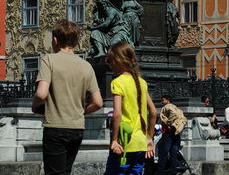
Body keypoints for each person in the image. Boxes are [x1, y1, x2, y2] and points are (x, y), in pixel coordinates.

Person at [33, 19, 104, 175]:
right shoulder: (86, 66)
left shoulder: (49, 60)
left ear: (55, 40)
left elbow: (41, 93)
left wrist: (35, 106)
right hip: (77, 128)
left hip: (56, 127)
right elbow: (98, 102)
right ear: (76, 42)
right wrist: (82, 111)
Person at [104, 42, 157, 175]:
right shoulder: (141, 82)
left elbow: (117, 114)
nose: (109, 64)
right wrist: (149, 137)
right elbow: (153, 112)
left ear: (117, 60)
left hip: (124, 143)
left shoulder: (118, 82)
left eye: (110, 60)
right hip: (140, 142)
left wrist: (115, 140)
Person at [157, 94, 187, 175]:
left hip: (168, 133)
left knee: (163, 152)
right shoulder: (176, 107)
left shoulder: (168, 106)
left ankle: (161, 172)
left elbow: (174, 115)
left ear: (167, 100)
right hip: (176, 133)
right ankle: (172, 171)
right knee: (173, 153)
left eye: (163, 100)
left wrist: (169, 123)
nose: (161, 102)